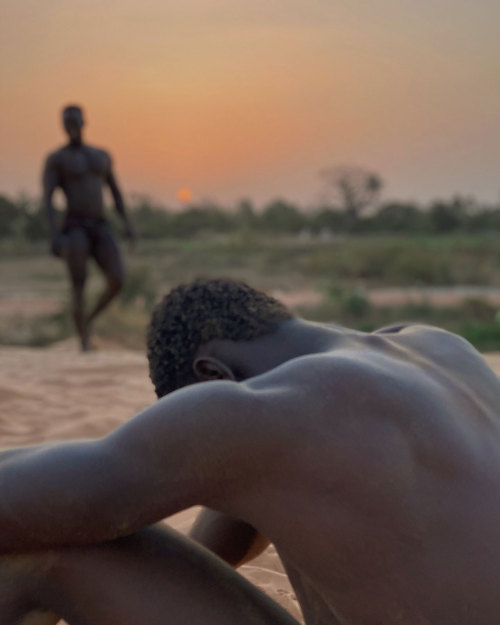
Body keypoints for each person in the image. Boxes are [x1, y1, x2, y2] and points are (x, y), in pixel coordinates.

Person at [1, 277, 500, 625]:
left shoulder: (264, 411)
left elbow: (40, 500)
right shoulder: (439, 350)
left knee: (49, 544)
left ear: (212, 377)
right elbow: (211, 547)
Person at [42, 105, 135, 351]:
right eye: (66, 122)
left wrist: (127, 224)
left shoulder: (100, 156)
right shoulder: (57, 159)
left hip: (100, 224)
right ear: (62, 126)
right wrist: (54, 235)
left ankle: (89, 320)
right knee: (79, 284)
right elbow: (48, 199)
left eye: (75, 120)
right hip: (75, 227)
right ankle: (83, 340)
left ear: (84, 122)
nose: (71, 125)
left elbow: (115, 191)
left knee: (117, 279)